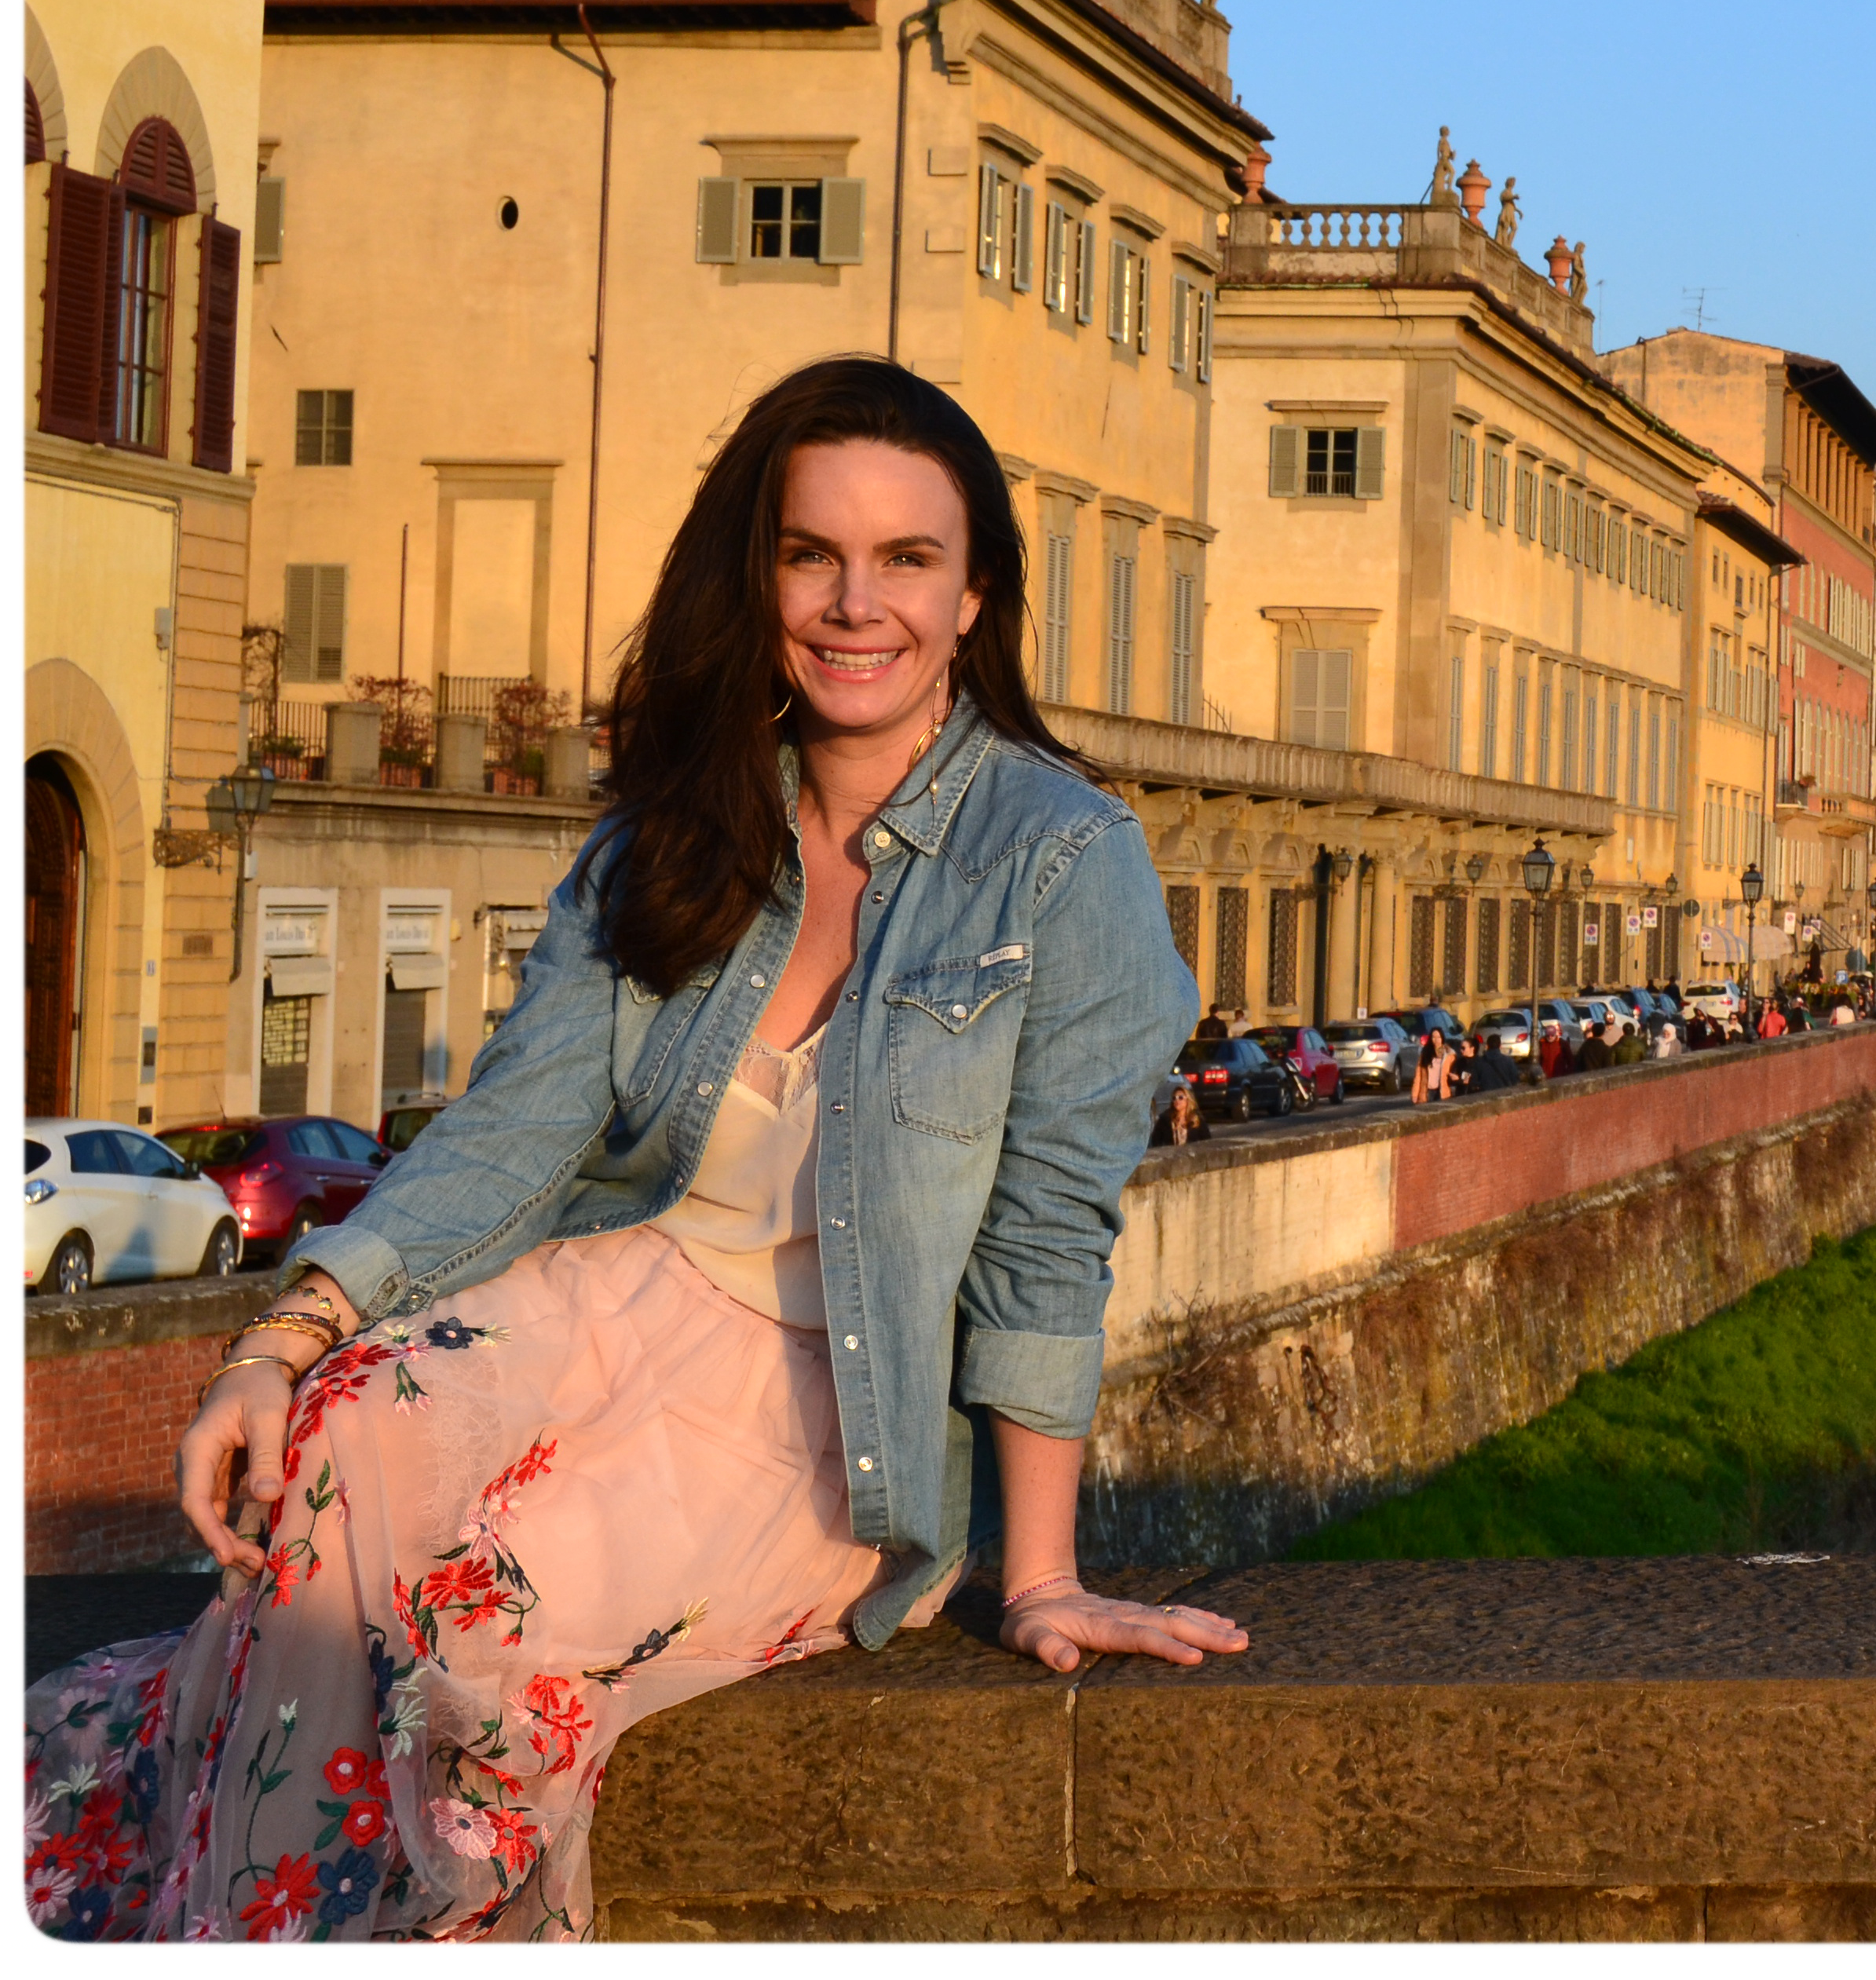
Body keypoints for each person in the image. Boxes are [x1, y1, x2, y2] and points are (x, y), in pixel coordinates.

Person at [27, 359, 1246, 1944]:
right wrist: (285, 1333)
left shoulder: (1062, 860)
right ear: (758, 577)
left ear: (973, 600)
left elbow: (1044, 1239)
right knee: (334, 1442)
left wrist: (1038, 1578)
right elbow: (518, 1124)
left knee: (486, 1622)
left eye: (907, 561)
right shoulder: (675, 828)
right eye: (812, 555)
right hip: (615, 1297)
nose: (853, 603)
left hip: (825, 1408)